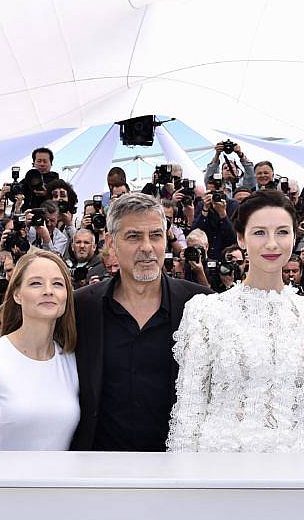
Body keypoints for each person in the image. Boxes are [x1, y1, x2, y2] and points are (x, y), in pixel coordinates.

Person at [167, 189, 304, 452]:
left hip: (301, 473)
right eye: (259, 233)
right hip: (223, 474)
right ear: (241, 239)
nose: (272, 244)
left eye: (282, 232)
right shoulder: (207, 312)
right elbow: (190, 411)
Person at [70, 192, 209, 451]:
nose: (147, 247)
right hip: (99, 470)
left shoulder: (201, 305)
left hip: (180, 470)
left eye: (155, 235)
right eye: (134, 236)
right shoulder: (81, 307)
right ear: (111, 243)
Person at [0, 249, 78, 451]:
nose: (48, 291)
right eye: (36, 283)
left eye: (57, 284)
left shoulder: (72, 359)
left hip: (60, 482)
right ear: (17, 294)